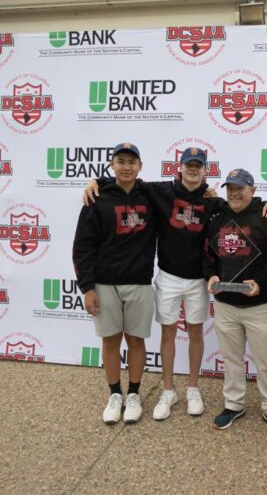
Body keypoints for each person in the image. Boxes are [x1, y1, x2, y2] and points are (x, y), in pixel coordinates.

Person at [84, 149, 267, 421]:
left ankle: (193, 388)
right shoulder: (161, 192)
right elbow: (128, 182)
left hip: (198, 279)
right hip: (168, 276)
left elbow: (243, 206)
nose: (193, 170)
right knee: (168, 333)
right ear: (180, 167)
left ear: (205, 170)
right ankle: (167, 389)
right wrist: (97, 182)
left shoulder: (213, 202)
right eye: (189, 165)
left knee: (196, 332)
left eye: (198, 166)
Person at [204, 169, 267, 437]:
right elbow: (207, 254)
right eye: (230, 189)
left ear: (252, 190)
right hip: (226, 304)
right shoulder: (218, 217)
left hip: (259, 305)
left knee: (266, 361)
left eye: (240, 188)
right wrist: (211, 275)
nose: (234, 193)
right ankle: (233, 404)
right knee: (231, 359)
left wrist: (261, 282)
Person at [73, 142, 157, 425]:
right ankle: (115, 394)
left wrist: (209, 192)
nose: (126, 166)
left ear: (140, 166)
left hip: (139, 281)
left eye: (132, 162)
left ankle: (133, 394)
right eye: (120, 161)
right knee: (110, 341)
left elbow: (184, 193)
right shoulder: (97, 198)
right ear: (112, 164)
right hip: (105, 282)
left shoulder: (150, 195)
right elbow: (82, 246)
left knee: (136, 340)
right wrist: (87, 288)